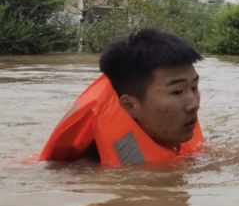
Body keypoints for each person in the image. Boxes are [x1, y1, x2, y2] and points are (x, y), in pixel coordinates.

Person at [40, 28, 204, 166]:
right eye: (177, 92)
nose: (193, 104)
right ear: (130, 105)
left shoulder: (174, 131)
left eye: (194, 87)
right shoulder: (88, 170)